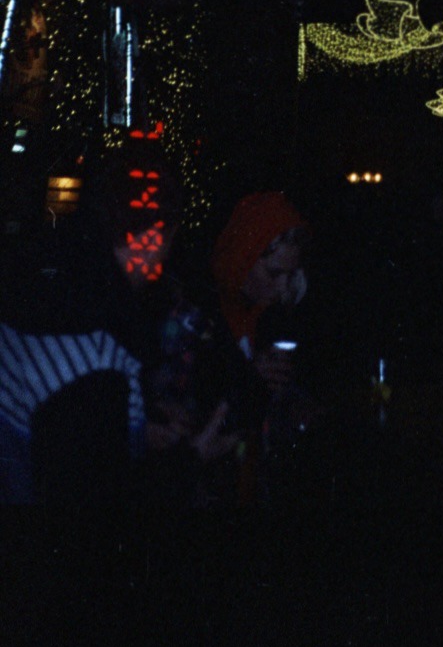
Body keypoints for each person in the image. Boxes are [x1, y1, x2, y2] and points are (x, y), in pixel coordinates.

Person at [0, 152, 234, 504]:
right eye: (169, 241)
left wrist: (138, 421)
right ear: (154, 238)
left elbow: (60, 427)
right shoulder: (98, 351)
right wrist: (193, 457)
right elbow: (98, 502)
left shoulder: (48, 284)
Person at [210, 191, 312, 500]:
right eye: (273, 272)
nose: (283, 286)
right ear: (245, 257)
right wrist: (249, 377)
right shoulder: (199, 316)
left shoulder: (270, 317)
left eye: (290, 274)